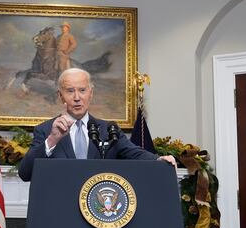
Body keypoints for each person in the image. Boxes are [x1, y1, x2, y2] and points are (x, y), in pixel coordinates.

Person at [18, 68, 177, 182]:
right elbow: (25, 173)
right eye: (70, 91)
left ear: (91, 93)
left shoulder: (108, 130)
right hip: (61, 211)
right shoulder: (45, 130)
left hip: (99, 211)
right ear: (61, 96)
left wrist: (159, 160)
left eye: (82, 90)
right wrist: (52, 140)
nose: (77, 97)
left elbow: (134, 153)